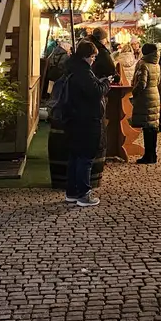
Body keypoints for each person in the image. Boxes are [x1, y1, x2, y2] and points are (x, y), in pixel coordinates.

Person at [62, 40, 106, 206]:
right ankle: (83, 194)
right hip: (86, 120)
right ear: (86, 56)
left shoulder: (72, 68)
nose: (94, 60)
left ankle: (72, 192)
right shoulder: (83, 72)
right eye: (93, 56)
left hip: (74, 118)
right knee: (85, 157)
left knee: (75, 156)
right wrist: (106, 83)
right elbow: (95, 92)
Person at [129, 43, 161, 164]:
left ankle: (148, 156)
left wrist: (134, 92)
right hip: (155, 94)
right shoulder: (156, 64)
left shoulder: (143, 64)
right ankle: (152, 155)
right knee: (152, 128)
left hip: (145, 98)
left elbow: (141, 83)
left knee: (147, 128)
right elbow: (158, 81)